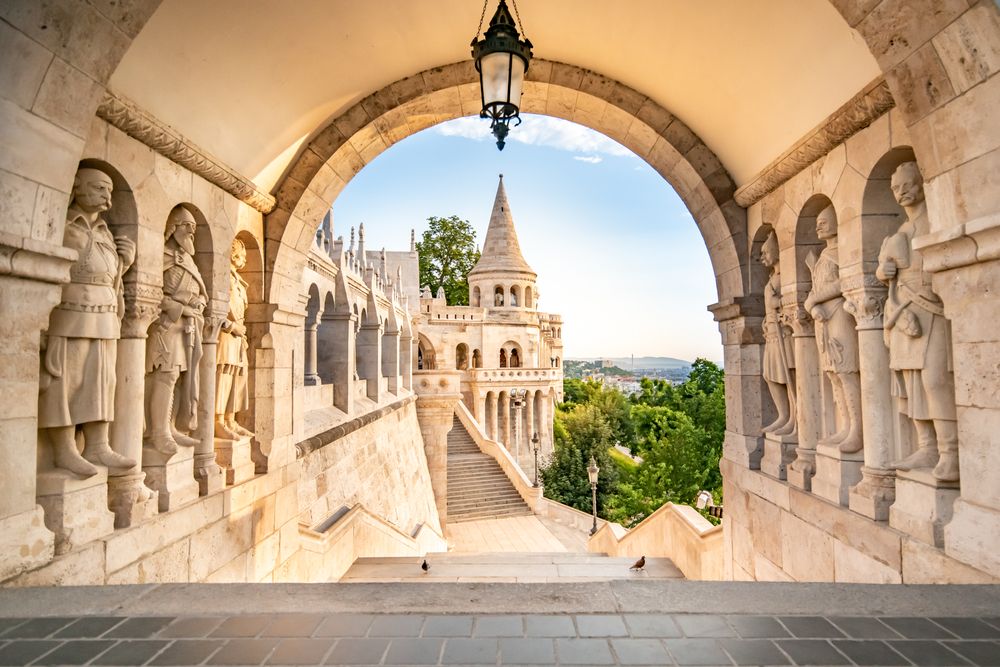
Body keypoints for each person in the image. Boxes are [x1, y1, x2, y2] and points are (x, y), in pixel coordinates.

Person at [38, 167, 137, 477]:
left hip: (105, 314)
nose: (106, 196)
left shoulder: (106, 232)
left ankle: (97, 443)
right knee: (67, 378)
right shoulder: (64, 224)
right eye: (98, 188)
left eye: (109, 191)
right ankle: (64, 447)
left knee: (102, 379)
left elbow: (107, 274)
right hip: (72, 312)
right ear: (77, 188)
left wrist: (125, 262)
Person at [877, 161, 958, 481]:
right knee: (911, 382)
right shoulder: (901, 231)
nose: (901, 192)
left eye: (907, 184)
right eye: (896, 188)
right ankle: (928, 446)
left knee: (936, 380)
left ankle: (951, 451)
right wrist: (883, 273)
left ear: (923, 182)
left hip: (932, 308)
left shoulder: (934, 219)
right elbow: (884, 270)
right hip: (903, 312)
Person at [144, 206, 208, 455]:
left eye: (193, 227)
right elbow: (149, 292)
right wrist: (181, 308)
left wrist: (199, 303)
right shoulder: (163, 256)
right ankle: (157, 432)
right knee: (165, 376)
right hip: (166, 327)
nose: (191, 232)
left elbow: (201, 292)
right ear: (173, 227)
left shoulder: (188, 259)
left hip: (187, 329)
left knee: (181, 378)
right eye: (186, 226)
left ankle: (170, 427)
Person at [804, 204, 862, 453]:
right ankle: (846, 426)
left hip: (840, 316)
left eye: (824, 221)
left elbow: (845, 282)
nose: (819, 226)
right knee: (833, 375)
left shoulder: (842, 253)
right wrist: (813, 307)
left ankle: (858, 430)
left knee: (846, 372)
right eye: (817, 221)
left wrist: (814, 300)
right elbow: (815, 290)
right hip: (824, 321)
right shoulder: (822, 256)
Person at [215, 239, 254, 440]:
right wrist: (231, 326)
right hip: (225, 336)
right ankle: (218, 421)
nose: (245, 258)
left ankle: (231, 420)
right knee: (223, 376)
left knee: (237, 377)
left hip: (238, 338)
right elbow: (212, 310)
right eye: (242, 253)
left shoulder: (237, 280)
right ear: (232, 253)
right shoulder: (221, 276)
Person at [759, 230, 796, 436]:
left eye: (766, 252)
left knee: (788, 376)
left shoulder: (784, 277)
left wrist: (776, 302)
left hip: (784, 335)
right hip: (772, 333)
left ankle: (794, 418)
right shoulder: (774, 278)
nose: (762, 257)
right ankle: (784, 415)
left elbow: (789, 301)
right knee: (771, 376)